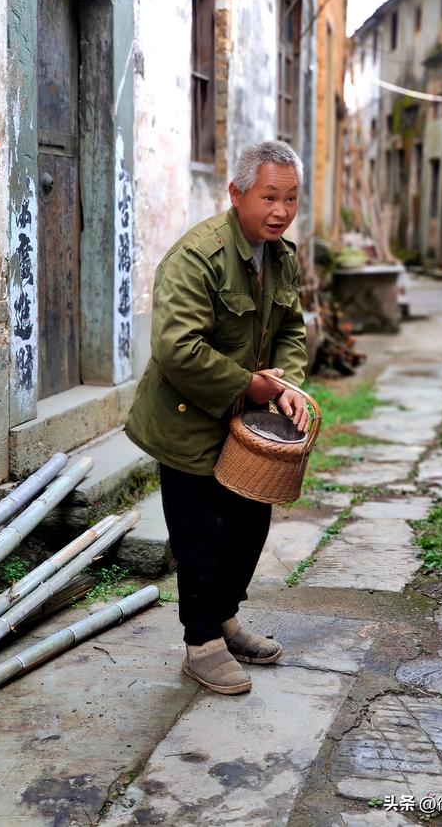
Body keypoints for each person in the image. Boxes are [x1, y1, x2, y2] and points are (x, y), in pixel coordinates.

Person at [125, 140, 308, 695]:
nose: (280, 211)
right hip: (188, 421)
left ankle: (225, 620)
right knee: (201, 534)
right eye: (269, 197)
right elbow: (177, 348)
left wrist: (286, 381)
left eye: (291, 198)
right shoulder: (198, 256)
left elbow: (292, 330)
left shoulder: (280, 257)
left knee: (250, 525)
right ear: (237, 193)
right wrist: (251, 384)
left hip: (246, 429)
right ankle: (200, 645)